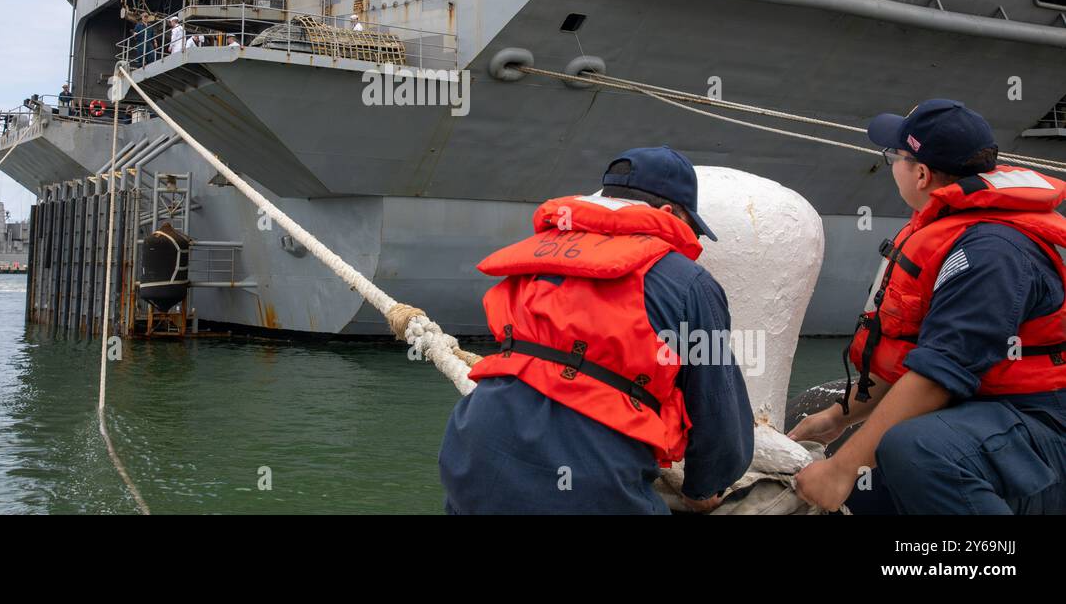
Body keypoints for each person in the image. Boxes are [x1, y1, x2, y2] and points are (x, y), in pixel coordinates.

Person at [438, 146, 754, 514]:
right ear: (669, 214)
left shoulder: (538, 256)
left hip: (472, 452)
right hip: (591, 476)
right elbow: (718, 407)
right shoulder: (690, 283)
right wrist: (704, 487)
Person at [791, 99, 1066, 514]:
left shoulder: (991, 252)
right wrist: (836, 419)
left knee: (915, 449)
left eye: (895, 157)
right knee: (870, 485)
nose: (893, 167)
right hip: (988, 411)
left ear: (920, 174)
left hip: (1042, 426)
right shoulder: (958, 235)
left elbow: (941, 374)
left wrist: (840, 469)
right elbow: (913, 357)